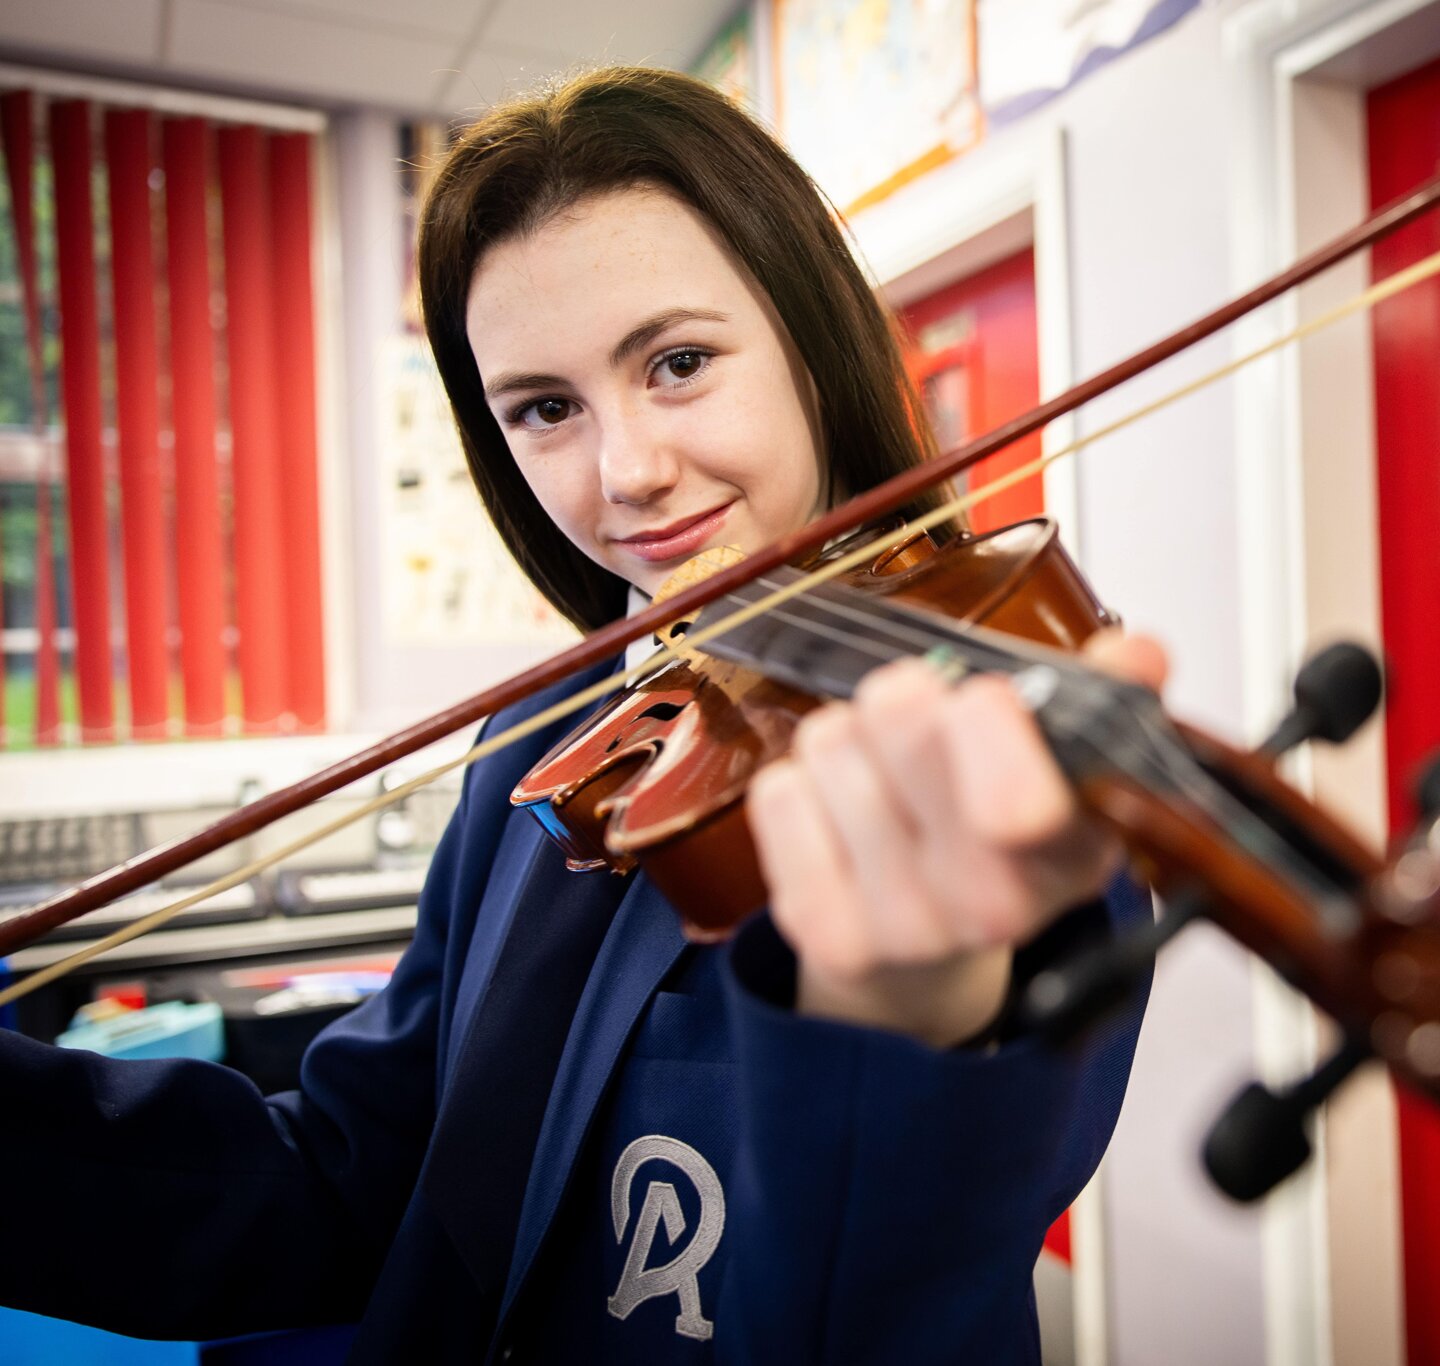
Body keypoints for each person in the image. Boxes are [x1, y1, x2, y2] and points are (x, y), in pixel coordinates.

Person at [0, 68, 1158, 1363]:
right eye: (546, 408)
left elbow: (882, 1306)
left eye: (677, 362)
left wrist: (917, 1018)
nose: (626, 472)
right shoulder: (559, 742)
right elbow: (350, 1184)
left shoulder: (987, 766)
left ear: (812, 341)